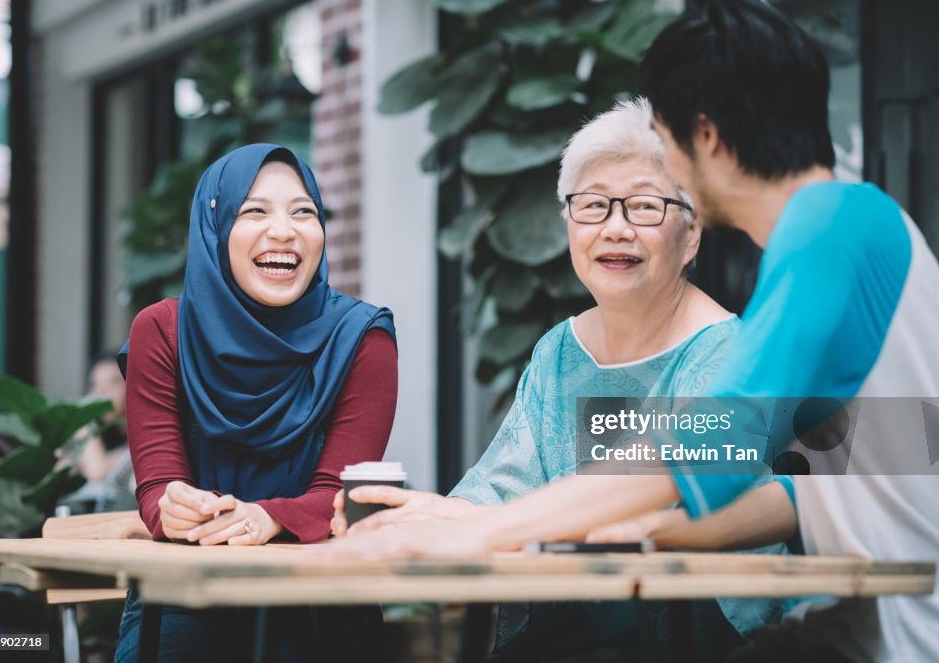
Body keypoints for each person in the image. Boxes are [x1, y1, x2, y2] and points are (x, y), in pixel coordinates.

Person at [325, 0, 939, 663]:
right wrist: (632, 529)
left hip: (932, 643)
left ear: (704, 136)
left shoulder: (832, 231)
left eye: (665, 140)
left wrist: (479, 533)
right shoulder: (861, 228)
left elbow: (714, 440)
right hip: (869, 629)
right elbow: (837, 471)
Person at [332, 99, 793, 660]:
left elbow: (666, 515)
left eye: (644, 207)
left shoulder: (730, 352)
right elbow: (505, 485)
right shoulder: (559, 351)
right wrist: (425, 512)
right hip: (579, 620)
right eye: (593, 206)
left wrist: (487, 524)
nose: (615, 228)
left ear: (691, 234)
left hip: (695, 629)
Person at [113, 144, 398, 662]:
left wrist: (267, 519)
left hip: (322, 596)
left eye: (303, 211)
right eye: (255, 211)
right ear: (214, 230)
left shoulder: (362, 337)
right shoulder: (161, 332)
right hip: (184, 593)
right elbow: (157, 487)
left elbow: (341, 494)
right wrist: (174, 509)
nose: (284, 230)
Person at [59, 351, 137, 513]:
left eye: (112, 383)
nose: (101, 392)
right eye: (95, 384)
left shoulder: (141, 428)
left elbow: (98, 471)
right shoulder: (88, 427)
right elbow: (97, 471)